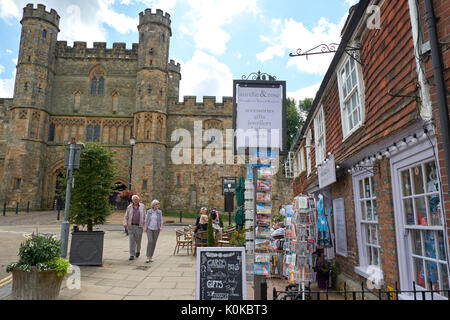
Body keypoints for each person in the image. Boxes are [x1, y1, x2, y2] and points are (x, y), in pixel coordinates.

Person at [123, 195, 146, 260]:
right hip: (131, 226)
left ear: (138, 200)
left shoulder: (142, 206)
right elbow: (126, 216)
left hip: (139, 226)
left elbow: (145, 216)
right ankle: (132, 255)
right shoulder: (129, 207)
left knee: (138, 241)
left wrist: (145, 225)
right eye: (134, 199)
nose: (135, 200)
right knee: (132, 240)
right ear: (132, 200)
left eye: (136, 199)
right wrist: (125, 223)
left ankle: (138, 251)